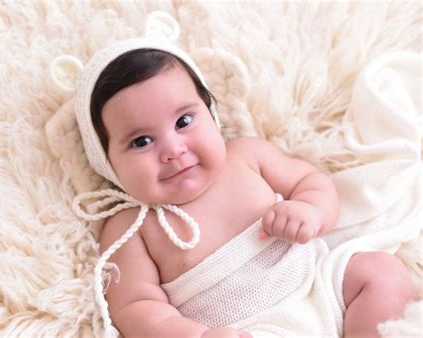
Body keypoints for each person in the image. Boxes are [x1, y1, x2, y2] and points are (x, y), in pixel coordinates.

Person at [72, 40, 417, 338]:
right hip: (249, 328)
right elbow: (135, 307)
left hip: (319, 283)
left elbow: (311, 182)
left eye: (183, 122)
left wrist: (310, 211)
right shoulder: (130, 228)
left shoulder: (247, 156)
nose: (173, 150)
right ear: (107, 161)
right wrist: (197, 334)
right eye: (141, 141)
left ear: (210, 114)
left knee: (380, 271)